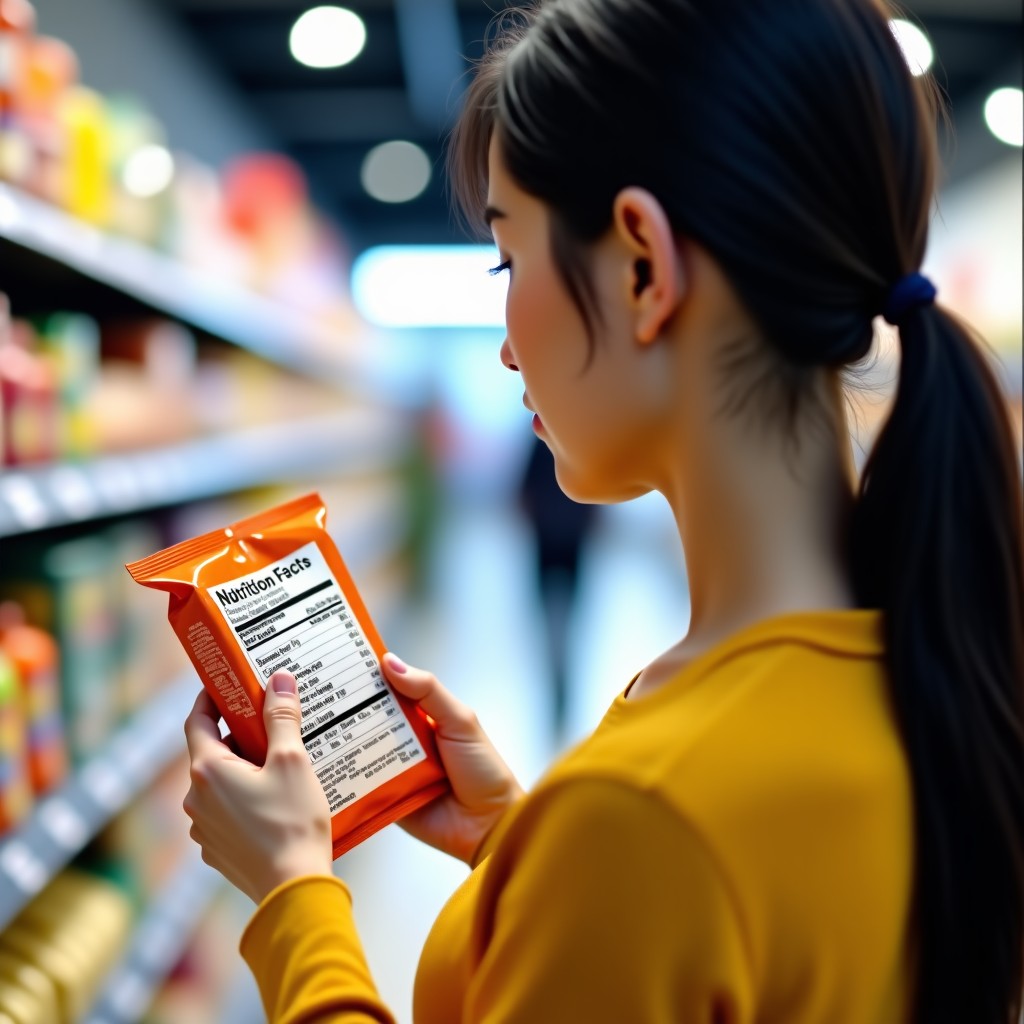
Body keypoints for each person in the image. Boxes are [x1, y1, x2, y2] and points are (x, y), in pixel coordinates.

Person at [182, 1, 1024, 1021]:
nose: (502, 343)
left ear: (640, 266)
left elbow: (673, 857)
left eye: (509, 260)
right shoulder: (937, 674)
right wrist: (522, 849)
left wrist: (292, 896)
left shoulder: (646, 815)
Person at [517, 433, 598, 740]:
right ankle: (559, 685)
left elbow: (522, 495)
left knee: (557, 623)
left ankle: (559, 683)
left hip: (554, 544)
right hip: (563, 544)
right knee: (561, 623)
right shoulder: (574, 446)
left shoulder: (542, 445)